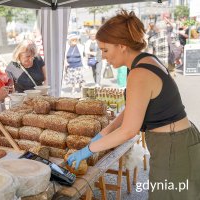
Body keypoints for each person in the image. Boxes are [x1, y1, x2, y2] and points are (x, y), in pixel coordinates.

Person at [67, 10, 200, 200]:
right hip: (178, 141)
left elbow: (129, 131)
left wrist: (88, 150)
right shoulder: (146, 60)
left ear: (121, 46)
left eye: (105, 49)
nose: (103, 56)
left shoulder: (139, 74)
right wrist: (104, 133)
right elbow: (132, 110)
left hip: (173, 146)